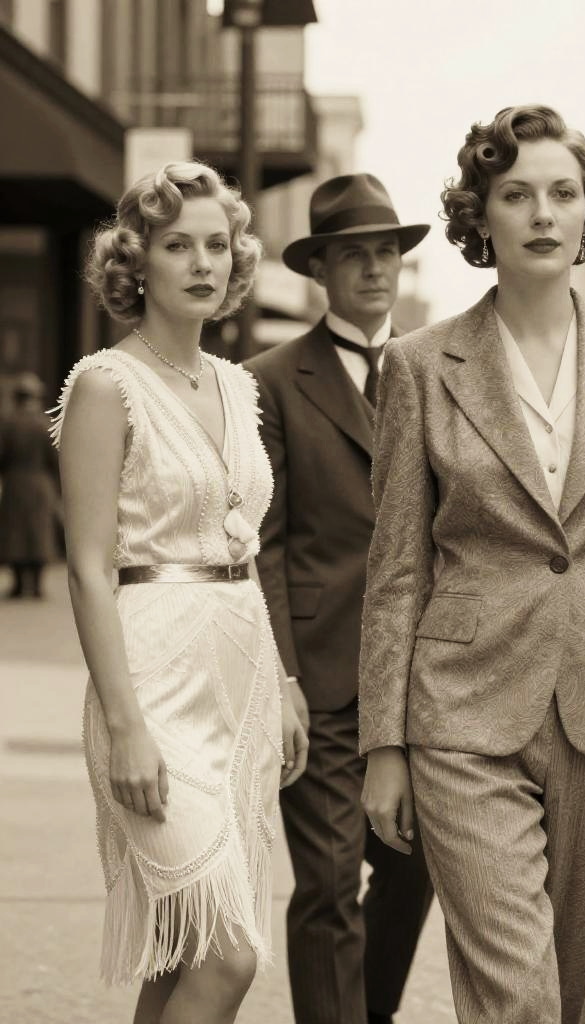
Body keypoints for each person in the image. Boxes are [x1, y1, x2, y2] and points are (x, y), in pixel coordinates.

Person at [358, 104, 585, 1024]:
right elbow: (396, 568)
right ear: (480, 214)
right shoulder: (418, 364)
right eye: (517, 194)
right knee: (515, 994)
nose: (544, 213)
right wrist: (384, 744)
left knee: (571, 996)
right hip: (462, 710)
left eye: (564, 193)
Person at [51, 161, 308, 1024]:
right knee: (230, 957)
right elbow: (88, 568)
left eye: (218, 245)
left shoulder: (237, 383)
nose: (203, 263)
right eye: (177, 246)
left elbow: (245, 545)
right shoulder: (104, 385)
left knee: (185, 951)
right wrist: (125, 725)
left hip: (239, 680)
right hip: (152, 685)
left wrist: (281, 683)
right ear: (136, 260)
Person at [246, 173, 434, 1024]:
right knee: (326, 886)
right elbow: (264, 545)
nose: (373, 268)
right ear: (319, 269)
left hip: (424, 679)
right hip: (320, 680)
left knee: (411, 872)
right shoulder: (270, 381)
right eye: (353, 254)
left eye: (385, 252)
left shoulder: (436, 371)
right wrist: (281, 678)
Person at [0, 372, 61, 598]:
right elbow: (55, 459)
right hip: (40, 483)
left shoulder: (8, 424)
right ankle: (36, 584)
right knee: (39, 531)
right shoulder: (45, 424)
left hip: (15, 482)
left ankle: (18, 584)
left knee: (14, 533)